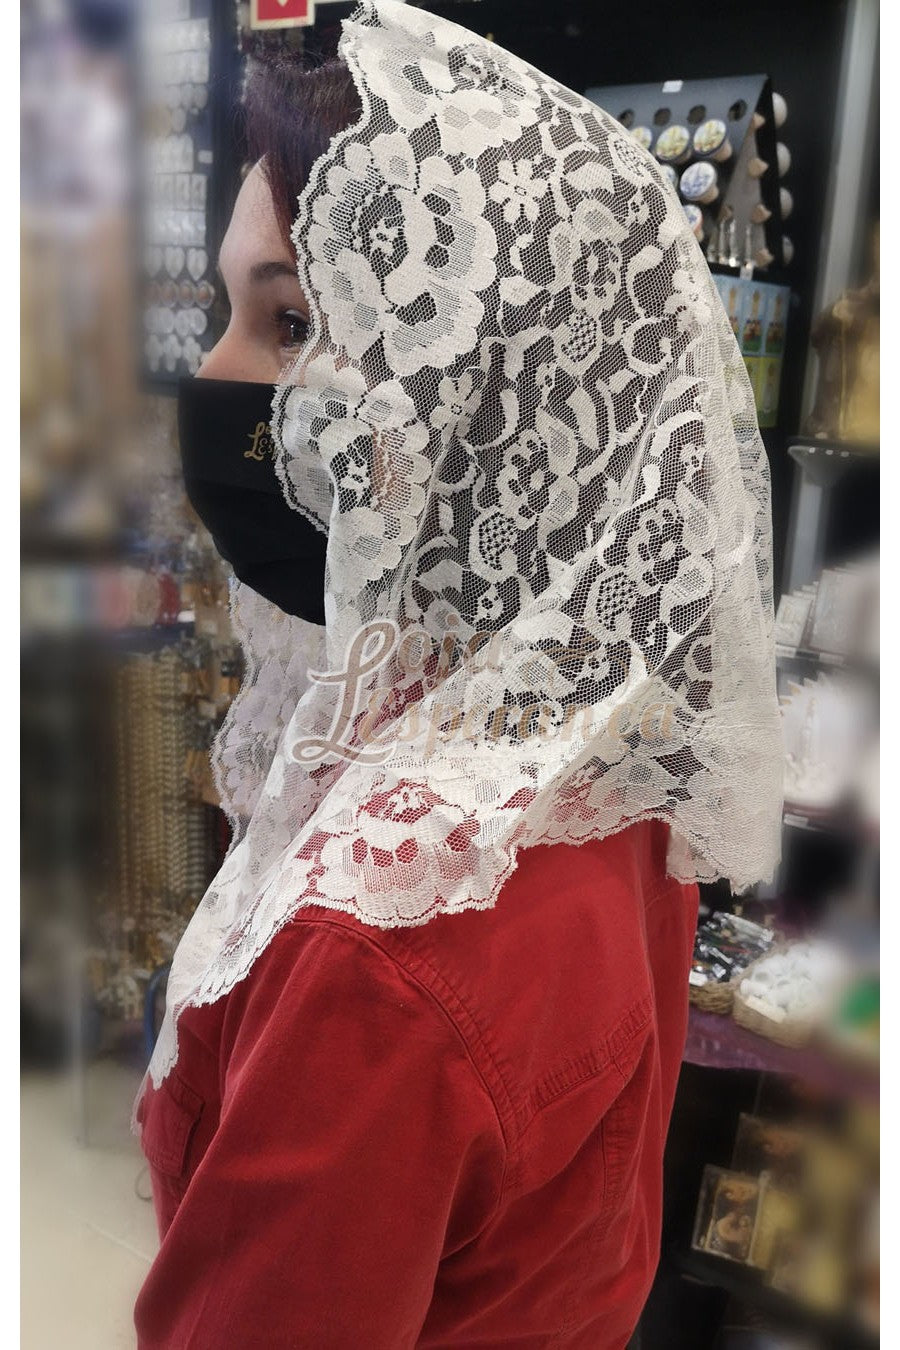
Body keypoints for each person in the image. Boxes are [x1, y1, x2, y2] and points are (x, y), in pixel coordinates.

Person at [133, 2, 783, 1345]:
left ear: (478, 393)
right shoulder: (595, 766)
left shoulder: (376, 951)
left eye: (290, 321)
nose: (215, 374)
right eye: (224, 310)